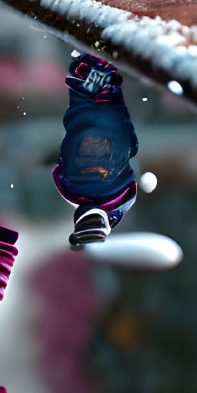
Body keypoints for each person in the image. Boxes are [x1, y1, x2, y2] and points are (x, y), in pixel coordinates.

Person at [53, 52, 138, 247]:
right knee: (87, 114)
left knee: (99, 115)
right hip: (96, 129)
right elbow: (58, 170)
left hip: (113, 137)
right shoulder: (69, 189)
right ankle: (96, 80)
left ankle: (100, 81)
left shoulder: (121, 200)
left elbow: (130, 175)